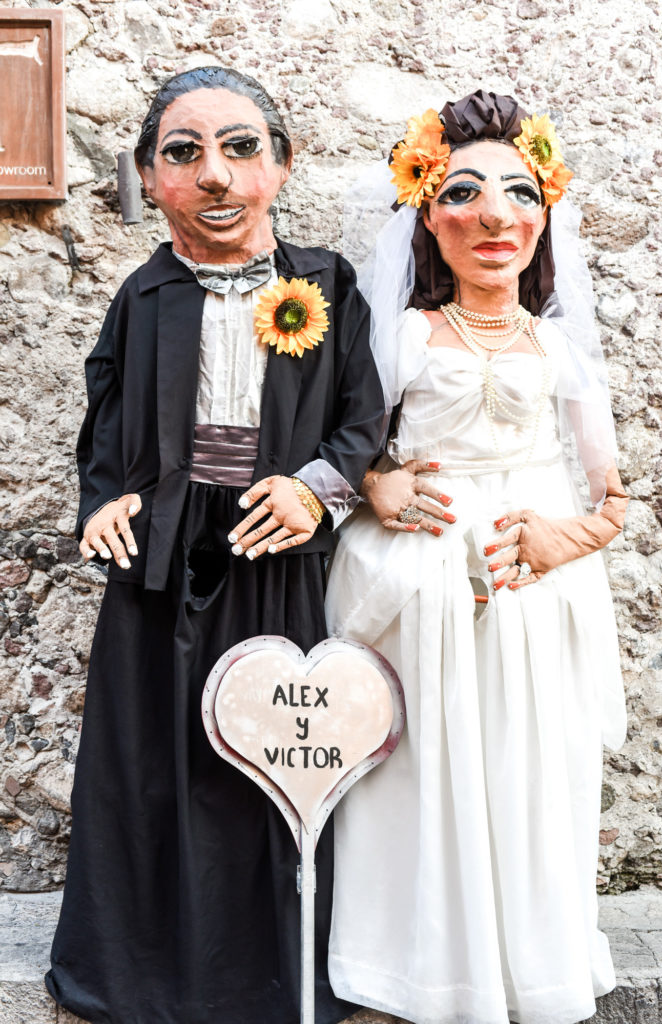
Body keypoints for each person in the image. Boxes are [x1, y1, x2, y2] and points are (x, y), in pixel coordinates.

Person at [45, 66, 384, 1024]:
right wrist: (103, 500)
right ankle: (142, 972)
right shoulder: (142, 295)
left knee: (275, 756)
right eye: (183, 153)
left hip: (275, 558)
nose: (216, 176)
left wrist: (316, 490)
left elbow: (362, 418)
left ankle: (273, 972)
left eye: (240, 148)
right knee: (154, 759)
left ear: (281, 164)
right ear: (151, 178)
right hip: (160, 565)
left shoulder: (323, 283)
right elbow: (104, 426)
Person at [325, 91, 628, 1024]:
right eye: (462, 193)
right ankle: (408, 975)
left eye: (520, 194)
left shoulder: (561, 348)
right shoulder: (407, 333)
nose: (495, 216)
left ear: (545, 217)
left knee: (532, 771)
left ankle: (531, 971)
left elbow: (613, 494)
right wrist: (375, 481)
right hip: (421, 583)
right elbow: (352, 441)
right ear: (426, 216)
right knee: (421, 773)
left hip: (537, 588)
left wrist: (569, 534)